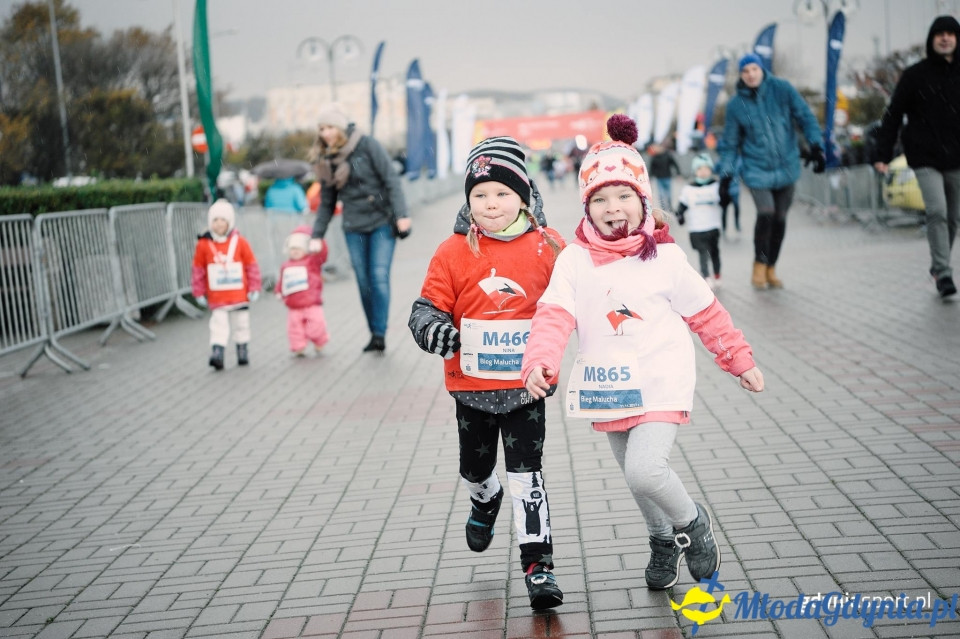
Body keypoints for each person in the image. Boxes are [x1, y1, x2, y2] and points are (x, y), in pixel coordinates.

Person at [521, 114, 765, 591]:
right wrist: (540, 362)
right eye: (601, 199)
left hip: (662, 380)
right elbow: (553, 315)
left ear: (643, 201)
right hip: (608, 385)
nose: (614, 208)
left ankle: (693, 526)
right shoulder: (573, 259)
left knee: (645, 469)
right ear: (587, 208)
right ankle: (660, 541)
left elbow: (707, 314)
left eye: (624, 196)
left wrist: (740, 360)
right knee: (637, 480)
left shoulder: (667, 258)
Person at [408, 136, 566, 610]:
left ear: (523, 195)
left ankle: (539, 567)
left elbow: (583, 294)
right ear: (467, 200)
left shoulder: (550, 246)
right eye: (480, 195)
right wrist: (434, 330)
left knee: (528, 477)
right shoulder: (453, 251)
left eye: (501, 193)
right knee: (475, 469)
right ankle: (483, 499)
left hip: (525, 388)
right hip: (472, 389)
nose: (490, 204)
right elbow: (425, 308)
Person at [716, 53, 825, 290]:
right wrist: (726, 176)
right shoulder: (736, 105)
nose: (750, 74)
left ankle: (771, 267)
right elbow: (730, 143)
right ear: (741, 75)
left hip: (787, 165)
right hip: (757, 169)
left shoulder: (782, 89)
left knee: (780, 219)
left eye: (754, 69)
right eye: (745, 71)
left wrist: (817, 145)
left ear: (762, 70)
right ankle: (759, 263)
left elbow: (805, 117)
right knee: (766, 213)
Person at [309, 104, 411, 353]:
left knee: (377, 276)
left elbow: (391, 179)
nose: (326, 133)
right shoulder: (328, 160)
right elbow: (327, 202)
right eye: (322, 128)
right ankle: (374, 331)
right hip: (353, 225)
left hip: (381, 221)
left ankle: (380, 332)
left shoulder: (367, 145)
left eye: (330, 127)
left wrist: (402, 215)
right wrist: (316, 235)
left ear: (341, 127)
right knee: (364, 281)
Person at [873, 15, 960, 299]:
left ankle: (938, 264)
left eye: (950, 33)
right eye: (939, 34)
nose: (945, 38)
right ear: (931, 39)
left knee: (954, 217)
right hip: (925, 157)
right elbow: (893, 114)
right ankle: (944, 272)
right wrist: (882, 152)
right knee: (937, 210)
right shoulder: (915, 75)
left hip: (956, 157)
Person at [191, 199, 262, 370]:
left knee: (241, 323)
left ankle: (242, 350)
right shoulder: (204, 244)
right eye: (215, 220)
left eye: (223, 219)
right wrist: (199, 291)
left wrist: (254, 287)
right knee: (218, 325)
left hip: (239, 294)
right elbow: (198, 270)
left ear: (229, 221)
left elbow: (251, 266)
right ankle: (218, 353)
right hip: (218, 296)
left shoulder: (240, 242)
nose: (219, 224)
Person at [275, 225, 330, 356]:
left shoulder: (312, 262)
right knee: (295, 329)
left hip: (311, 303)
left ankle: (319, 341)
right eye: (292, 248)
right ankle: (298, 347)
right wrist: (278, 291)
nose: (295, 251)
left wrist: (319, 243)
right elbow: (282, 281)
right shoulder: (286, 266)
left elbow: (322, 254)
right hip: (293, 305)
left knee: (316, 325)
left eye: (298, 248)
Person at [676, 153, 723, 289]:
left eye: (706, 168)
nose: (703, 171)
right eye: (700, 169)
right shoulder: (689, 188)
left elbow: (724, 200)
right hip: (696, 228)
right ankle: (706, 276)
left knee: (714, 251)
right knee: (703, 251)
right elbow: (682, 205)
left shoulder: (716, 186)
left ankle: (717, 274)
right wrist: (680, 215)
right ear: (695, 171)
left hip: (713, 226)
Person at [648, 143, 681, 211]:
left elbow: (674, 164)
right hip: (659, 178)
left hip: (667, 177)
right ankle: (663, 208)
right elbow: (651, 168)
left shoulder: (667, 155)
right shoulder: (654, 157)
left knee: (669, 194)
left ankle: (670, 207)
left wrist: (678, 173)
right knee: (661, 194)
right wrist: (650, 178)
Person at [721, 156, 742, 240]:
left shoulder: (739, 160)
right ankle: (724, 227)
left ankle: (736, 223)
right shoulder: (723, 159)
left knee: (735, 207)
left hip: (734, 189)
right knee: (725, 209)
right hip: (725, 190)